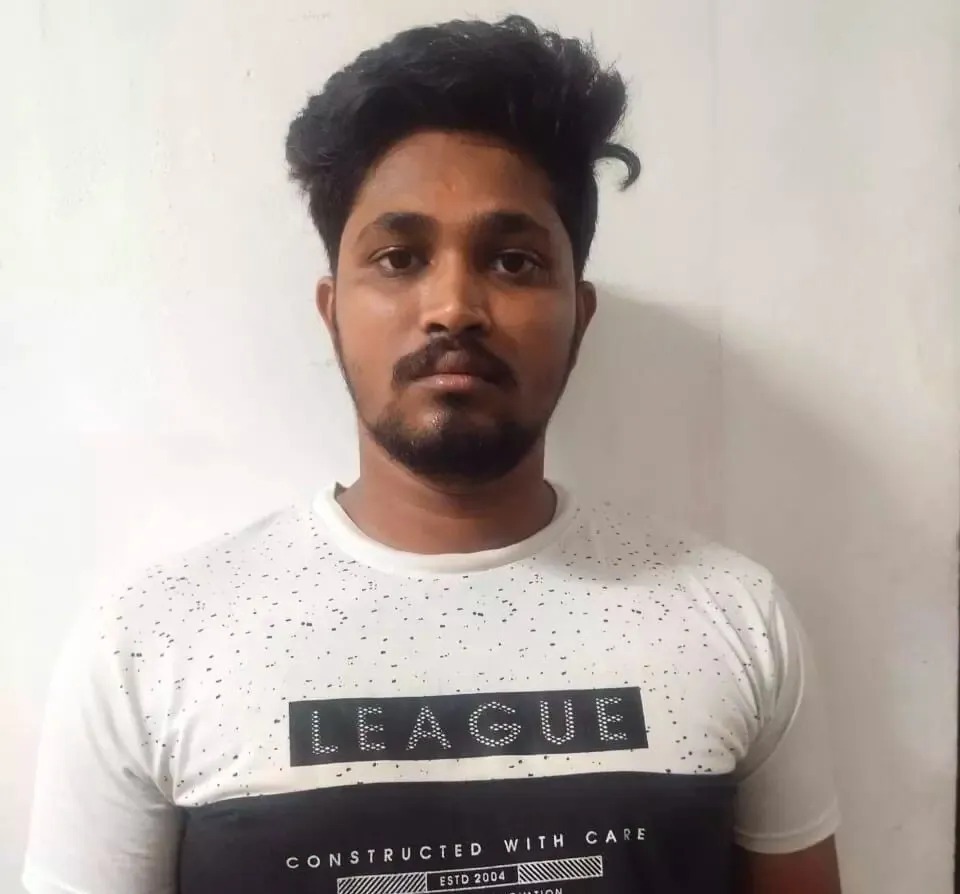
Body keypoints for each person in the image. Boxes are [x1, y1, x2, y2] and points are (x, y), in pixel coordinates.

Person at [23, 15, 842, 894]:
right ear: (333, 312)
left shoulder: (731, 617)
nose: (454, 306)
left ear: (580, 316)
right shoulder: (153, 643)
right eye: (400, 257)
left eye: (514, 261)